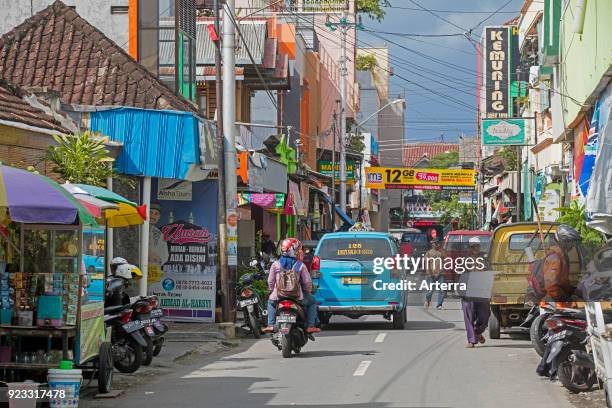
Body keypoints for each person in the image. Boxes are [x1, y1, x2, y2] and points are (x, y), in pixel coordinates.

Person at [262, 238, 320, 334]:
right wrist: (308, 291)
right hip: (297, 297)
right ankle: (310, 326)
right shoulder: (300, 265)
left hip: (278, 296)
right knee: (312, 302)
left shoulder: (275, 265)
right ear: (294, 251)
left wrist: (272, 290)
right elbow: (307, 282)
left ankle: (270, 325)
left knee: (270, 302)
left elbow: (270, 281)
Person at [460, 237, 491, 348]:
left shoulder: (484, 259)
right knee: (469, 315)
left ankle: (477, 332)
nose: (475, 248)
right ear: (469, 247)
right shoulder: (463, 260)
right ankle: (471, 340)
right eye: (472, 246)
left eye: (477, 246)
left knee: (485, 314)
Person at [543, 224, 579, 301]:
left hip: (558, 298)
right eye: (571, 242)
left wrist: (572, 290)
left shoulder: (562, 256)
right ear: (564, 241)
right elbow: (551, 286)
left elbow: (562, 281)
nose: (572, 246)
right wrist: (566, 298)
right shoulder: (555, 258)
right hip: (553, 301)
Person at [424, 239, 446, 310]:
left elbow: (445, 257)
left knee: (442, 290)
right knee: (430, 290)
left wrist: (441, 249)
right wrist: (429, 272)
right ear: (432, 244)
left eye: (437, 243)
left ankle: (439, 304)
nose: (436, 244)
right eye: (435, 243)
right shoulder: (428, 253)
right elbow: (426, 263)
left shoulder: (441, 252)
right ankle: (427, 300)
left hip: (440, 273)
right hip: (431, 274)